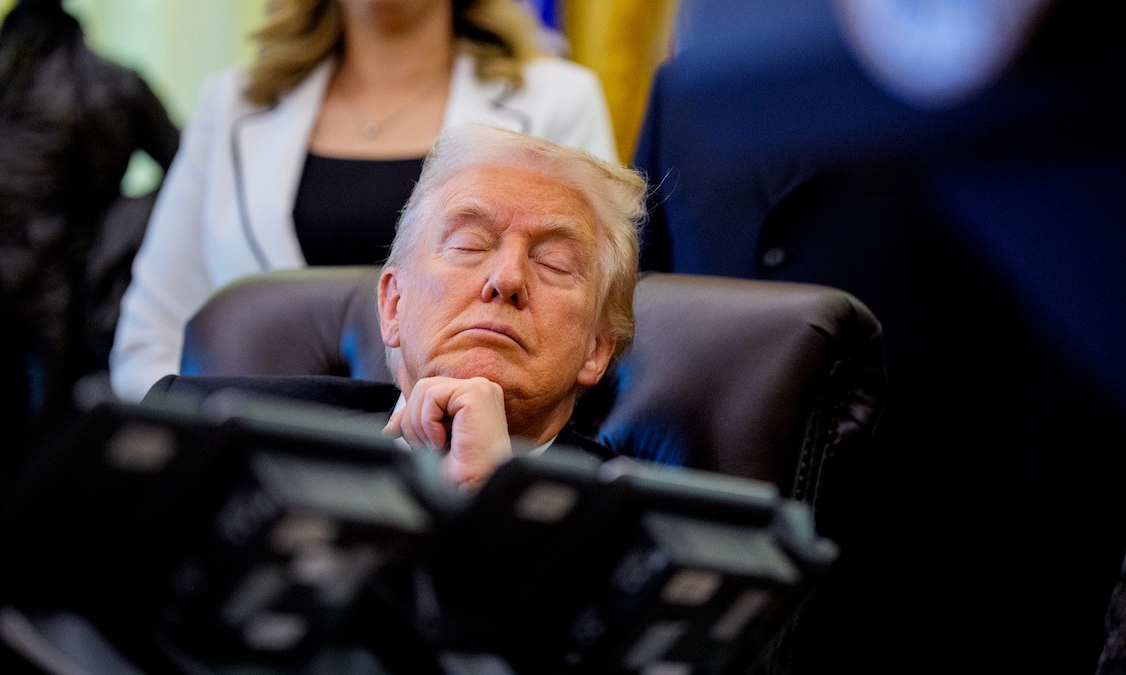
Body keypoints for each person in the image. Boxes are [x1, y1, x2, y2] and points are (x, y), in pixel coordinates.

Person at [632, 0, 1126, 672]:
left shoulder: (980, 67)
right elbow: (646, 310)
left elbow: (1058, 352)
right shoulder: (693, 86)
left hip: (955, 567)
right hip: (730, 573)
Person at [110, 0, 620, 404]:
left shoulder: (559, 100)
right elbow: (150, 340)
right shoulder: (232, 103)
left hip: (463, 470)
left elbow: (592, 317)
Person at [147, 122, 646, 493]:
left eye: (555, 263)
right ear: (392, 303)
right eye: (470, 244)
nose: (508, 278)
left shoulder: (640, 528)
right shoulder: (199, 430)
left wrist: (494, 501)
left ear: (597, 351)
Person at [0, 0, 180, 667]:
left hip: (57, 307)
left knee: (47, 484)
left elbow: (187, 180)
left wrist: (113, 243)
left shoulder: (114, 84)